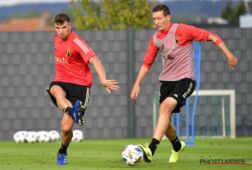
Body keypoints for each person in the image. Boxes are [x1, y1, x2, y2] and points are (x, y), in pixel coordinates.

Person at [130, 4, 238, 163]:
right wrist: (137, 83)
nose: (156, 22)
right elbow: (147, 62)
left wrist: (229, 55)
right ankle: (177, 145)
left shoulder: (183, 30)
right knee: (165, 123)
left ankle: (151, 149)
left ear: (168, 17)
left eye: (159, 18)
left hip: (185, 79)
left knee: (165, 107)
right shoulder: (155, 39)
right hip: (167, 81)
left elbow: (211, 36)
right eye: (154, 19)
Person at [47, 13, 120, 165]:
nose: (60, 31)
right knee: (55, 89)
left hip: (80, 87)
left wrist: (103, 79)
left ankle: (62, 150)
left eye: (64, 27)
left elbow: (95, 60)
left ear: (70, 26)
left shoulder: (76, 41)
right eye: (57, 28)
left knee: (65, 129)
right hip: (61, 81)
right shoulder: (55, 40)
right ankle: (73, 111)